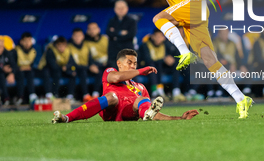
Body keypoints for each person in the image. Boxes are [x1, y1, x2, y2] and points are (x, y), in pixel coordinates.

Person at [123, 0, 254, 118]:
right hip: (185, 16)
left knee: (158, 18)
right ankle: (241, 98)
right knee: (209, 59)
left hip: (195, 6)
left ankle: (184, 53)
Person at [52, 49, 199, 123]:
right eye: (129, 62)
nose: (133, 66)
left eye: (135, 63)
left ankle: (144, 116)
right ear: (119, 63)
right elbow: (117, 77)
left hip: (128, 113)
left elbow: (150, 111)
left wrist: (178, 118)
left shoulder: (140, 86)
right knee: (112, 96)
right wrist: (140, 70)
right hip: (110, 110)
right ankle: (66, 118)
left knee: (141, 100)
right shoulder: (110, 72)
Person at [139, 29, 186, 102]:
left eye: (160, 37)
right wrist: (164, 59)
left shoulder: (166, 44)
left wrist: (171, 59)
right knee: (153, 66)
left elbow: (177, 55)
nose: (158, 39)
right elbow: (147, 60)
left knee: (175, 64)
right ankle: (156, 92)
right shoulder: (146, 45)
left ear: (163, 38)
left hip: (162, 68)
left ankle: (176, 91)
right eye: (156, 36)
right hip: (148, 69)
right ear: (152, 37)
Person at [68, 28, 97, 102]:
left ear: (83, 36)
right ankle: (71, 96)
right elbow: (70, 61)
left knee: (98, 71)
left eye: (79, 36)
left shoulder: (86, 45)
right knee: (73, 73)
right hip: (73, 68)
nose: (77, 38)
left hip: (85, 68)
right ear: (72, 36)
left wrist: (92, 65)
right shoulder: (69, 46)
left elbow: (90, 58)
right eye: (75, 36)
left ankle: (95, 94)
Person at [106, 0, 137, 68]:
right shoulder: (111, 21)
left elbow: (131, 34)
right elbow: (108, 33)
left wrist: (115, 35)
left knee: (129, 75)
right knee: (115, 75)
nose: (120, 10)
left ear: (127, 8)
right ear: (115, 9)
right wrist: (121, 33)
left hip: (127, 53)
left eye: (122, 8)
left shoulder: (132, 21)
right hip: (114, 54)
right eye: (118, 8)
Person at [85, 22, 109, 98]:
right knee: (98, 72)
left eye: (94, 29)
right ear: (87, 31)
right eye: (90, 29)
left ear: (98, 30)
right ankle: (95, 95)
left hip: (108, 64)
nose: (92, 31)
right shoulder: (86, 42)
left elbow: (113, 53)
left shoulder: (105, 39)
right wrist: (90, 65)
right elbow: (86, 56)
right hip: (95, 65)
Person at [13, 32, 38, 105]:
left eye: (29, 41)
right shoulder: (16, 50)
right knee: (20, 74)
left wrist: (29, 67)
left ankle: (32, 95)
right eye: (25, 41)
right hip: (18, 71)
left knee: (31, 73)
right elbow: (13, 63)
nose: (27, 43)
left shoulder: (34, 51)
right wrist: (20, 68)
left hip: (29, 71)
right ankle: (20, 97)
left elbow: (36, 64)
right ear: (21, 42)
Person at [0, 36, 16, 106]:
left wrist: (12, 73)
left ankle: (18, 98)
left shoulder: (7, 53)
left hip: (7, 74)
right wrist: (2, 68)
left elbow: (14, 65)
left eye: (1, 46)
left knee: (22, 74)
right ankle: (6, 98)